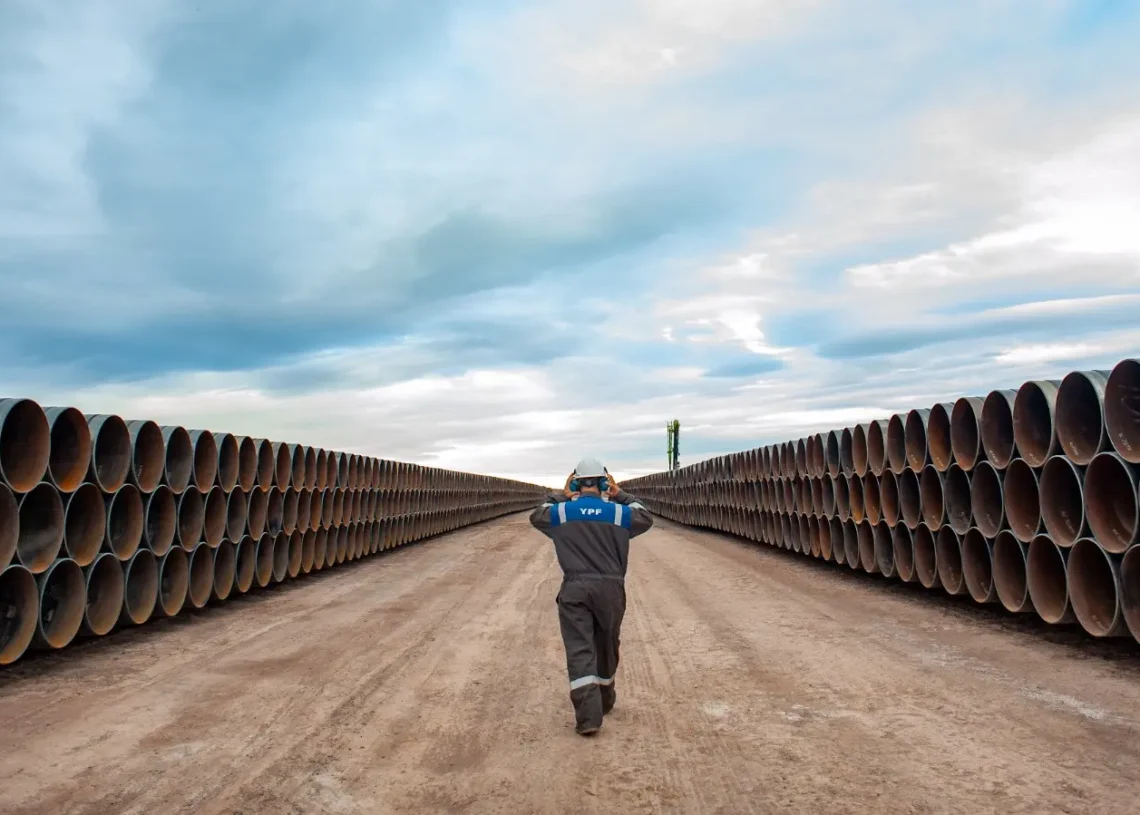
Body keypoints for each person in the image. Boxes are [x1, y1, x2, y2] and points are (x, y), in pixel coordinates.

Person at [529, 457, 654, 736]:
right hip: (610, 589)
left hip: (575, 588)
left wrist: (561, 494)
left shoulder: (562, 513)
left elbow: (537, 515)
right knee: (606, 644)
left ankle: (588, 717)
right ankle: (605, 700)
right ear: (602, 482)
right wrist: (620, 494)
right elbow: (645, 516)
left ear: (576, 482)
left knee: (579, 648)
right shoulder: (619, 514)